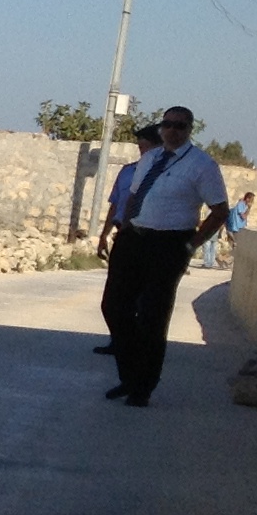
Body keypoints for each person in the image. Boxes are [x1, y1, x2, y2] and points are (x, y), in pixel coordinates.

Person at [101, 105, 230, 406]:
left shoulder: (201, 165)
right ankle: (129, 375)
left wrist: (191, 245)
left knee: (152, 315)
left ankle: (143, 387)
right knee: (114, 307)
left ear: (189, 130)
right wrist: (125, 227)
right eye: (168, 124)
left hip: (169, 243)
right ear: (161, 127)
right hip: (134, 237)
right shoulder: (151, 158)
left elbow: (220, 211)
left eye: (180, 126)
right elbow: (134, 195)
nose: (173, 130)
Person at [94, 120, 167, 352]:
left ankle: (138, 345)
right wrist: (104, 234)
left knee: (144, 297)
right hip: (124, 235)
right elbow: (116, 204)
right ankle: (118, 340)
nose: (142, 152)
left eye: (146, 148)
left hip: (151, 238)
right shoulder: (127, 172)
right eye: (140, 147)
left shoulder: (166, 175)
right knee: (115, 296)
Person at [200, 189, 252, 267]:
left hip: (226, 229)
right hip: (234, 229)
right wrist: (249, 208)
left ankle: (215, 261)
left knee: (212, 246)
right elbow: (243, 217)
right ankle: (218, 261)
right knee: (234, 246)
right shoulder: (240, 205)